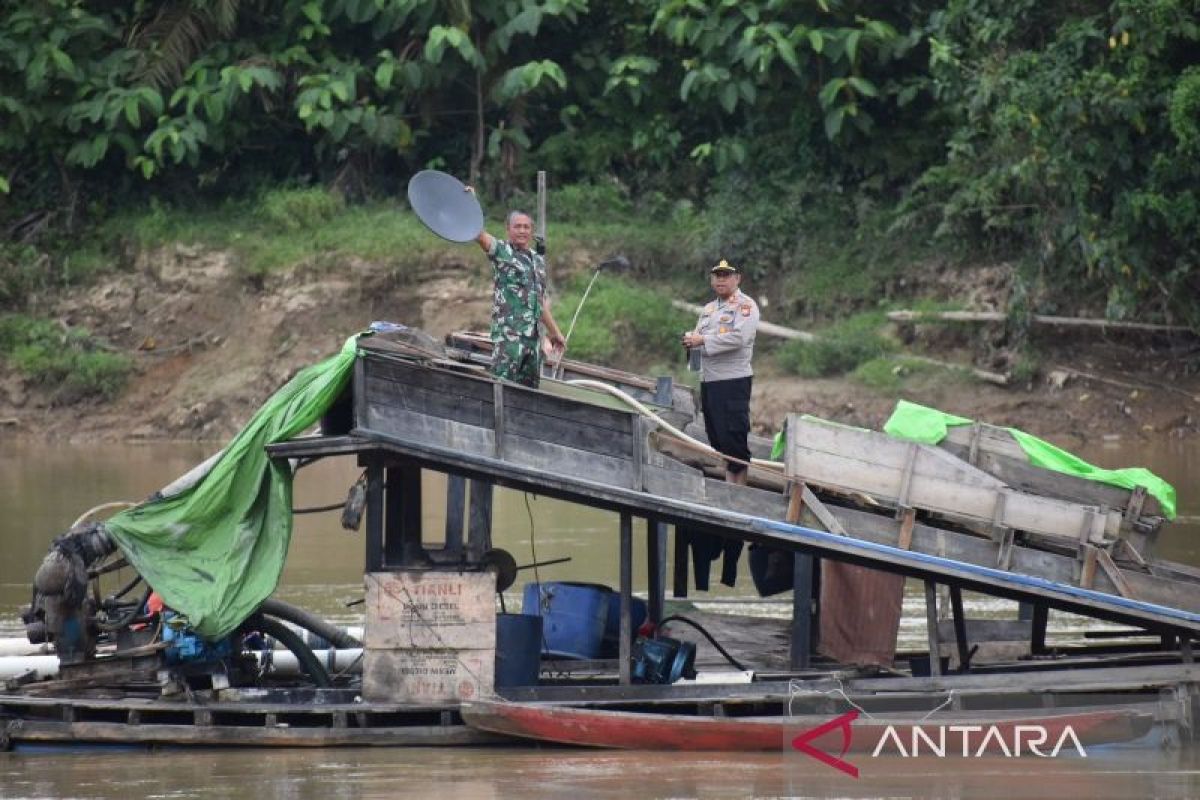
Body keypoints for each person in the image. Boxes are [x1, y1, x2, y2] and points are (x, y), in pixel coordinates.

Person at [682, 259, 760, 485]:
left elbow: (739, 338)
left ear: (737, 279)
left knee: (734, 438)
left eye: (726, 275)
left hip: (733, 381)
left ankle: (738, 492)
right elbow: (698, 341)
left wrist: (702, 339)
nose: (721, 279)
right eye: (717, 275)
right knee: (717, 438)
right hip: (710, 380)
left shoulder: (746, 306)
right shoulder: (708, 309)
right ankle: (729, 486)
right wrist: (690, 343)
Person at [473, 207, 565, 388]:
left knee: (528, 393)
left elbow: (539, 302)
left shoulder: (537, 260)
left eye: (526, 227)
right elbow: (478, 233)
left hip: (532, 341)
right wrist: (471, 203)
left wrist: (555, 333)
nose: (522, 231)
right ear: (508, 229)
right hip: (510, 339)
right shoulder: (502, 251)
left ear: (531, 230)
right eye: (517, 227)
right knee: (502, 387)